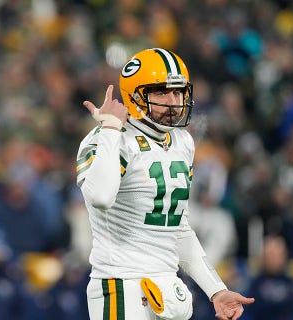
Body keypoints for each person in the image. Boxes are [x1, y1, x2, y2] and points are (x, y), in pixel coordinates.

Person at [76, 48, 254, 320]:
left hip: (168, 289)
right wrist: (110, 130)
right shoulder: (109, 138)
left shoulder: (182, 141)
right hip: (121, 285)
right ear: (135, 95)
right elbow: (100, 197)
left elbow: (178, 230)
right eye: (161, 92)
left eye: (178, 92)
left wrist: (216, 289)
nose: (173, 101)